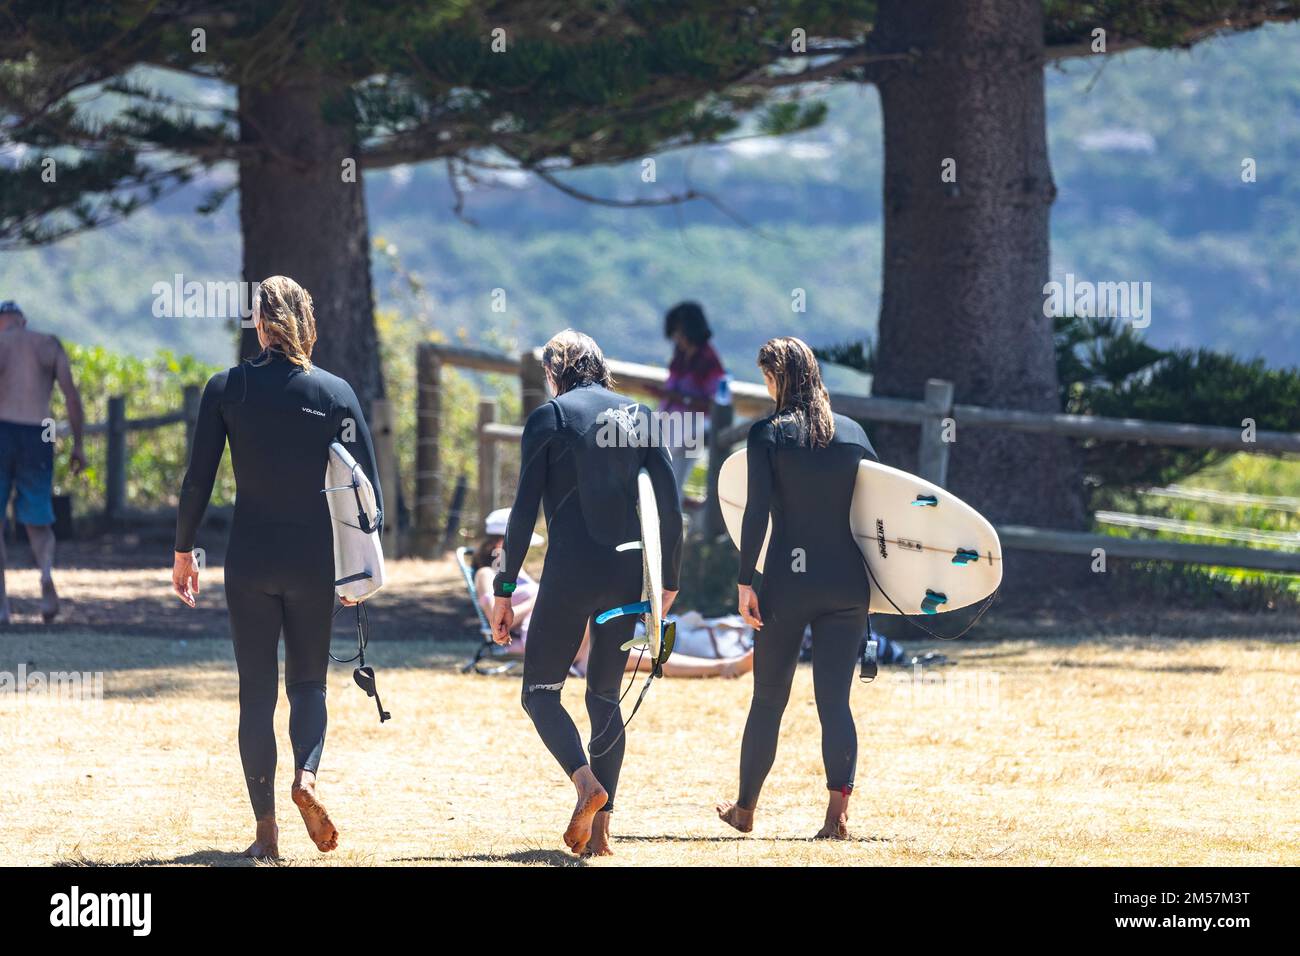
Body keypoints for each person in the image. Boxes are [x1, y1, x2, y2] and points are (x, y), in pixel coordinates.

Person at [170, 276, 382, 860]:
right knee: (309, 683)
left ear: (260, 325)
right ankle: (307, 779)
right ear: (306, 323)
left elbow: (197, 479)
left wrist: (184, 551)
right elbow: (370, 497)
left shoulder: (227, 389)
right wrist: (359, 571)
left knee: (256, 694)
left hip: (249, 560)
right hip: (315, 561)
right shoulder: (336, 393)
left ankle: (265, 834)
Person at [490, 329, 683, 857]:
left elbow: (523, 515)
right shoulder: (642, 418)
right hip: (627, 576)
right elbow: (669, 511)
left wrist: (504, 589)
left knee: (540, 694)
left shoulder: (550, 418)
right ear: (600, 368)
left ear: (555, 372)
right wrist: (668, 584)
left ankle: (585, 784)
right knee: (603, 697)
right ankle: (601, 836)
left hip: (571, 574)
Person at [716, 337, 877, 841]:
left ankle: (745, 810)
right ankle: (836, 818)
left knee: (768, 699)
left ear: (778, 379)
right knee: (835, 701)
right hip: (848, 582)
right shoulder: (852, 434)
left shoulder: (768, 435)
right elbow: (881, 514)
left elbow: (757, 513)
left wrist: (746, 580)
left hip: (789, 581)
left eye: (768, 378)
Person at [0, 300, 86, 625]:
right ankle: (46, 574)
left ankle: (2, 606)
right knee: (38, 516)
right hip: (40, 433)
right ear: (22, 320)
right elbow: (71, 396)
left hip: (2, 429)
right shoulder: (47, 343)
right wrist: (78, 446)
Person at [658, 302, 726, 503]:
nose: (676, 337)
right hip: (671, 423)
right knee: (665, 479)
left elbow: (716, 401)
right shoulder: (680, 354)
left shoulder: (708, 359)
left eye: (679, 331)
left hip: (693, 427)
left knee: (673, 482)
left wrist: (682, 399)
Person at [471, 507, 541, 650]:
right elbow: (497, 620)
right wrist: (535, 602)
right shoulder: (486, 574)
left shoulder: (520, 573)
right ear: (502, 544)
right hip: (531, 638)